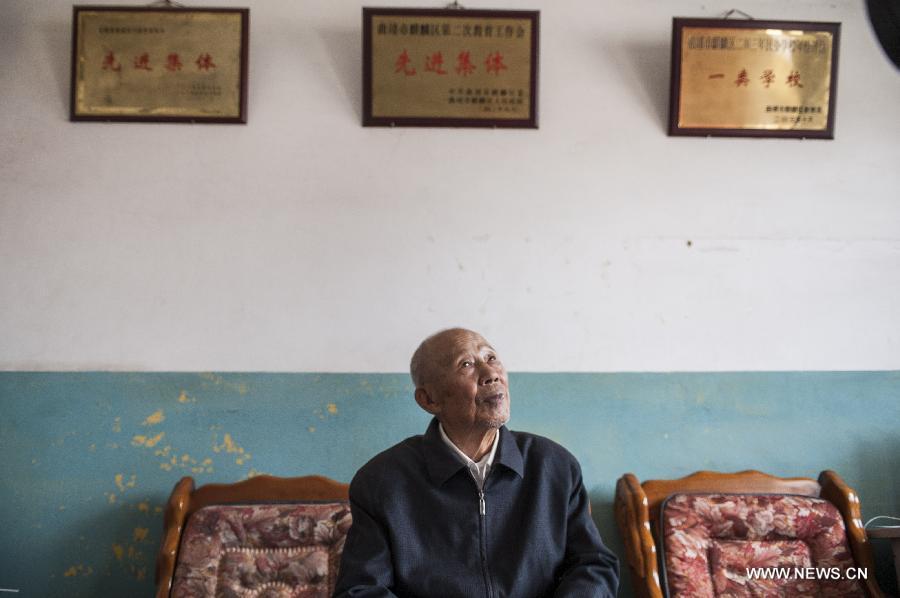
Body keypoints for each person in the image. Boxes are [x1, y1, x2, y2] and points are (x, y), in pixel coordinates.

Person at [333, 328, 619, 597]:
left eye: (491, 358)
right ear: (429, 399)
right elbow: (362, 589)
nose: (491, 373)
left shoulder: (553, 466)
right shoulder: (382, 482)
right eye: (466, 364)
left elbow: (593, 564)